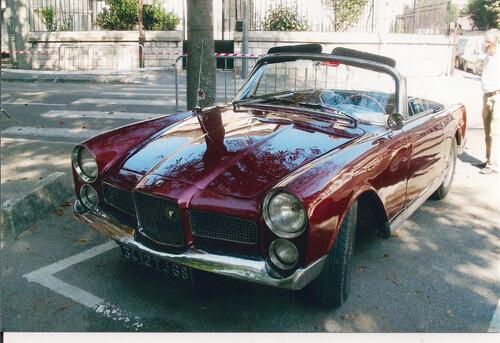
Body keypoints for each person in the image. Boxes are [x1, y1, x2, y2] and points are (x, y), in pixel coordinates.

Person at [478, 29, 500, 174]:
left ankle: (494, 165)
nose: (486, 44)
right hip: (486, 96)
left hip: (497, 96)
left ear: (496, 41)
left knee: (495, 131)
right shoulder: (487, 56)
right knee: (487, 131)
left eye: (488, 41)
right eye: (485, 41)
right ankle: (488, 160)